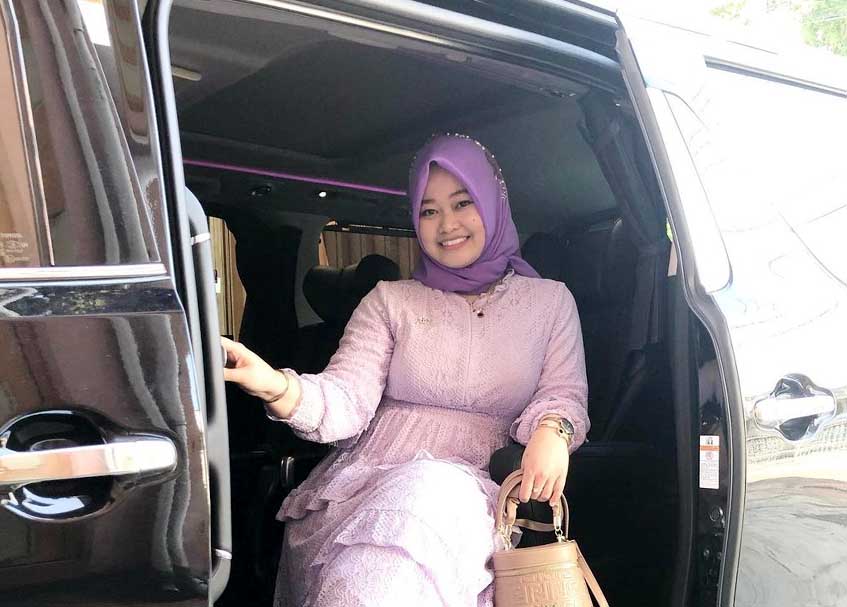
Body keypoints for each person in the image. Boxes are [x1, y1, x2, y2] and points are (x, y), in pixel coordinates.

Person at [222, 134, 589, 607]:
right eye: (428, 210)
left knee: (430, 495)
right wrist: (276, 385)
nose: (447, 224)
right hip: (371, 485)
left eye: (462, 203)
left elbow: (563, 393)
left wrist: (553, 431)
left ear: (493, 203)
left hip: (482, 487)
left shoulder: (550, 302)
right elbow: (345, 398)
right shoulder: (389, 301)